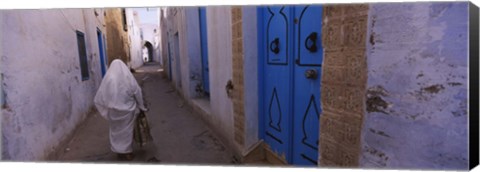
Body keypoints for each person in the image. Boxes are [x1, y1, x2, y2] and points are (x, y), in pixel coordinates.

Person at [94, 59, 148, 161]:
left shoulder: (108, 78)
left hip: (113, 112)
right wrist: (141, 106)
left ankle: (119, 151)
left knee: (116, 131)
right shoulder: (128, 77)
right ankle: (127, 152)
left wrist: (106, 109)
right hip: (128, 111)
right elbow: (137, 91)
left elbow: (100, 95)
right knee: (127, 132)